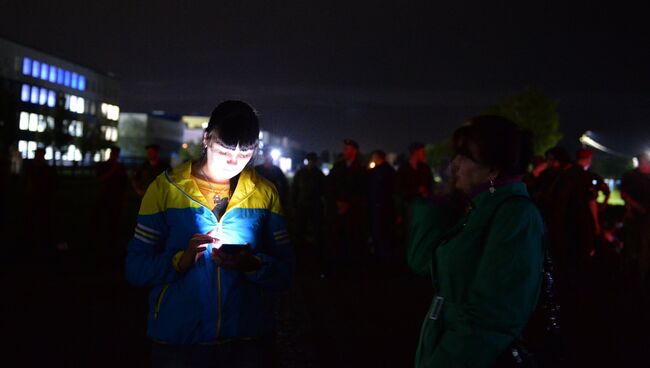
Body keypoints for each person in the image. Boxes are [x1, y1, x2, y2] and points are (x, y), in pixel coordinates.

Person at [125, 101, 294, 368]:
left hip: (247, 341)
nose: (234, 162)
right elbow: (135, 268)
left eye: (245, 153)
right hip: (179, 342)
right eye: (225, 150)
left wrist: (254, 265)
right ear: (206, 139)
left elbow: (288, 271)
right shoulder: (165, 188)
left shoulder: (265, 192)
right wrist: (179, 261)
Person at [407, 115, 544, 367]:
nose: (454, 165)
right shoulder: (477, 207)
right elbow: (420, 261)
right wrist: (437, 206)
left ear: (492, 169)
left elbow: (492, 317)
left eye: (464, 157)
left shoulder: (514, 215)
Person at [325, 138, 367, 277]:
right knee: (335, 241)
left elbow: (362, 191)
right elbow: (329, 186)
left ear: (354, 151)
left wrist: (349, 204)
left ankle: (350, 270)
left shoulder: (360, 169)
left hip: (352, 213)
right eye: (344, 148)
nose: (344, 151)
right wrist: (337, 202)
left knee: (351, 241)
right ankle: (335, 268)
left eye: (347, 149)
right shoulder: (338, 167)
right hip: (336, 212)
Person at [620, 152, 650, 292]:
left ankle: (639, 273)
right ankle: (636, 275)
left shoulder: (632, 176)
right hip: (636, 217)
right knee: (636, 245)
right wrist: (633, 206)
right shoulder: (630, 176)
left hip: (644, 216)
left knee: (643, 245)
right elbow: (624, 193)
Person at [291, 152, 326, 267]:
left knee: (317, 230)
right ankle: (299, 252)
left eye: (313, 160)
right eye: (310, 160)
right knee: (300, 230)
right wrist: (294, 204)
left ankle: (317, 253)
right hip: (302, 205)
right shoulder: (301, 173)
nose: (311, 162)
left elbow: (324, 191)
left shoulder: (319, 174)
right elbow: (294, 189)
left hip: (315, 206)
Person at [23, 147, 58, 255]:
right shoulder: (33, 168)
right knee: (34, 219)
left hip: (42, 199)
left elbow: (52, 184)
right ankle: (34, 241)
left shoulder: (44, 169)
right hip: (35, 198)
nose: (38, 157)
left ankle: (39, 242)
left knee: (42, 220)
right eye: (38, 155)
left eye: (39, 155)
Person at [367, 150, 397, 264]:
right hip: (386, 207)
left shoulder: (379, 171)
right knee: (384, 233)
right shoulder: (389, 170)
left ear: (376, 157)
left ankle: (381, 258)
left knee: (379, 233)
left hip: (379, 207)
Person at [96, 145, 128, 250]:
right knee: (104, 219)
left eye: (117, 154)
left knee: (115, 220)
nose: (115, 156)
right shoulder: (104, 166)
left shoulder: (121, 167)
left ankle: (113, 241)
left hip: (117, 198)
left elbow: (124, 184)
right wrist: (113, 170)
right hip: (105, 197)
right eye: (114, 154)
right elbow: (101, 179)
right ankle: (103, 240)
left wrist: (124, 199)